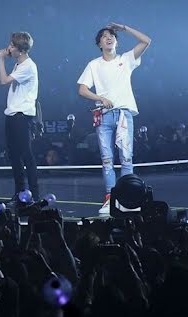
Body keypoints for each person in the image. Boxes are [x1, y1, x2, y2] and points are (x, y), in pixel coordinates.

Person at [77, 23, 151, 214]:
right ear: (99, 44)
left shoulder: (126, 59)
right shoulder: (94, 64)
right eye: (104, 36)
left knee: (126, 157)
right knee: (107, 159)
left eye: (112, 35)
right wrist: (100, 98)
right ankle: (110, 198)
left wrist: (124, 28)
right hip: (103, 115)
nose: (109, 38)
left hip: (124, 114)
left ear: (116, 41)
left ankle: (128, 198)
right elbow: (82, 89)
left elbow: (146, 41)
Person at [0, 32, 39, 203]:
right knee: (14, 155)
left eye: (12, 46)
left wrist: (1, 60)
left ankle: (35, 194)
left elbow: (3, 81)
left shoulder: (27, 66)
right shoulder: (18, 64)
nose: (9, 48)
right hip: (13, 114)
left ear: (20, 50)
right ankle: (19, 193)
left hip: (22, 116)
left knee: (26, 154)